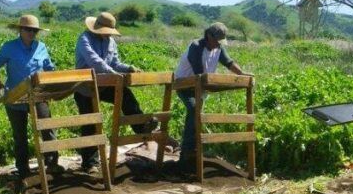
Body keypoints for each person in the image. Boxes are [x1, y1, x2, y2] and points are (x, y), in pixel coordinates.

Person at [74, 12, 158, 173]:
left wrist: (128, 68)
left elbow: (115, 63)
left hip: (105, 84)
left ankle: (141, 127)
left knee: (126, 96)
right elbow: (95, 61)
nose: (107, 34)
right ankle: (89, 163)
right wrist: (113, 73)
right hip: (85, 88)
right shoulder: (84, 39)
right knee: (91, 123)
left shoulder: (110, 42)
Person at [0, 14, 60, 179]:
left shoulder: (41, 47)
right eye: (28, 29)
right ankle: (23, 168)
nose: (31, 33)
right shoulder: (9, 47)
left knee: (47, 127)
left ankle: (52, 162)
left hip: (38, 95)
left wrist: (54, 84)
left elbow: (49, 68)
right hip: (15, 96)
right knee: (19, 134)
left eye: (34, 30)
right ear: (20, 29)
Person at [172, 22, 249, 170]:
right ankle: (186, 152)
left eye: (221, 42)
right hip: (184, 84)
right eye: (216, 41)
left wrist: (243, 75)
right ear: (209, 36)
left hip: (201, 86)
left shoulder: (218, 48)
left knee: (197, 114)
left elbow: (229, 63)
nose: (218, 45)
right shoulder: (196, 46)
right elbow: (199, 72)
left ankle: (194, 149)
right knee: (194, 109)